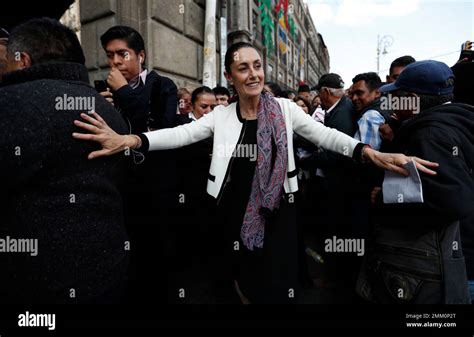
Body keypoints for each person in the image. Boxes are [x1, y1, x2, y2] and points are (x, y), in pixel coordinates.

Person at [72, 42, 438, 304]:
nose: (254, 73)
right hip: (233, 212)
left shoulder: (282, 109)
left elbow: (326, 136)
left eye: (257, 65)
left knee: (277, 283)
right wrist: (131, 139)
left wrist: (370, 153)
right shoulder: (221, 116)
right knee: (242, 278)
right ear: (231, 76)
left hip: (280, 210)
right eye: (243, 68)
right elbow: (179, 134)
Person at [0, 18, 129, 303]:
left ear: (23, 61)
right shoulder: (104, 109)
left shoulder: (14, 104)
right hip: (109, 272)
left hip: (38, 290)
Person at [357, 60, 473, 304]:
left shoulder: (430, 134)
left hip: (447, 267)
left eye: (397, 96)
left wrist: (386, 198)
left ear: (411, 98)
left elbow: (452, 202)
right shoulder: (457, 119)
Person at [99, 25, 177, 132]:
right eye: (110, 55)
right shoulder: (106, 88)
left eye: (123, 54)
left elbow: (163, 132)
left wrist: (124, 91)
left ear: (141, 56)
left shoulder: (163, 86)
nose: (115, 61)